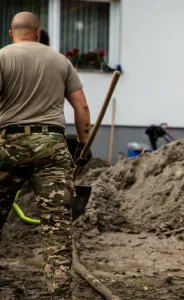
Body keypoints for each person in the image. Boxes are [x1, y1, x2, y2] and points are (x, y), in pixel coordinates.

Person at [0, 12, 92, 300]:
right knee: (56, 229)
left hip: (8, 144)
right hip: (52, 146)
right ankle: (59, 294)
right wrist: (82, 145)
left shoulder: (2, 57)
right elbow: (82, 108)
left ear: (11, 33)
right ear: (38, 33)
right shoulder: (60, 60)